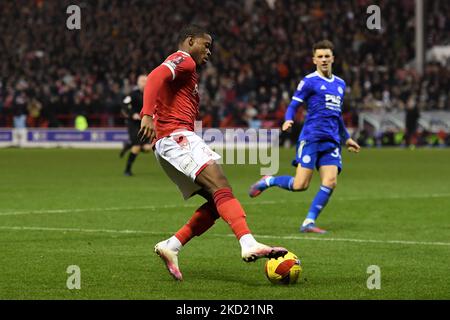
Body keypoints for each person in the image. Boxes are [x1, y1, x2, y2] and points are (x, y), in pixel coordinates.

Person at [138, 25, 287, 281]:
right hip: (176, 137)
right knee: (221, 186)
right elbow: (154, 77)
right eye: (206, 45)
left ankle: (172, 245)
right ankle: (248, 242)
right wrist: (147, 115)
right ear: (190, 41)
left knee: (218, 202)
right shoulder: (183, 60)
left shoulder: (189, 73)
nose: (209, 52)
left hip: (170, 142)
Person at [249, 40, 361, 234]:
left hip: (332, 140)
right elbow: (293, 105)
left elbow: (337, 114)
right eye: (320, 56)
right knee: (300, 185)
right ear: (314, 60)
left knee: (330, 181)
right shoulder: (309, 81)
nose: (324, 59)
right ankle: (269, 181)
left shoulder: (340, 84)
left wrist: (347, 138)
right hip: (311, 138)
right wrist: (288, 119)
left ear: (333, 58)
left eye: (327, 56)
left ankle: (308, 222)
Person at [120, 75, 153, 176]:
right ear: (138, 83)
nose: (144, 83)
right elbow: (124, 105)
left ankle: (128, 145)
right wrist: (132, 114)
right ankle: (127, 170)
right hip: (133, 124)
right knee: (137, 146)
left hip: (144, 123)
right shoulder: (133, 94)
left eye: (145, 81)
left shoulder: (151, 94)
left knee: (148, 148)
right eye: (142, 81)